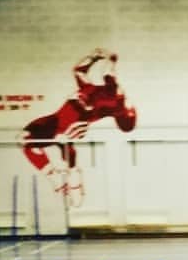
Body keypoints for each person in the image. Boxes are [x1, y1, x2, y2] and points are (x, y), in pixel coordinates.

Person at [21, 48, 137, 177]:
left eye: (129, 109)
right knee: (25, 138)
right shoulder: (101, 90)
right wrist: (102, 58)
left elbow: (102, 74)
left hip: (65, 127)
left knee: (29, 139)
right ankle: (58, 174)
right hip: (58, 121)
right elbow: (86, 71)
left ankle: (65, 173)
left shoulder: (113, 102)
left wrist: (103, 59)